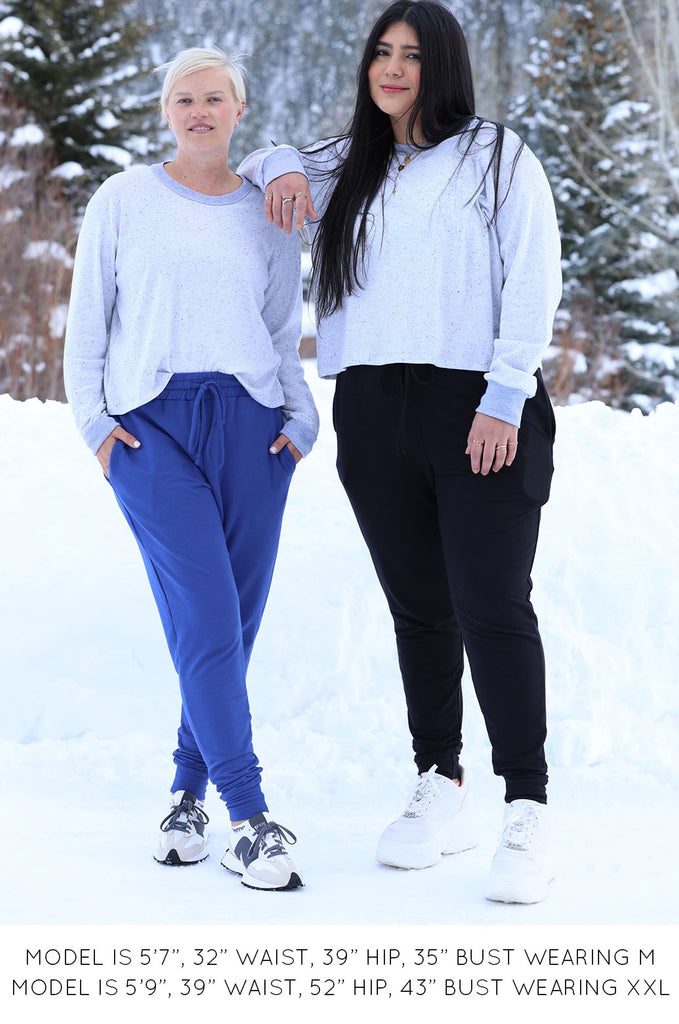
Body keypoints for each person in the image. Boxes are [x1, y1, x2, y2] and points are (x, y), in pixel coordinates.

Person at [239, 0, 562, 903]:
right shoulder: (355, 159)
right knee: (420, 608)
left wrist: (505, 397)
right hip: (374, 406)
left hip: (478, 406)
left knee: (491, 604)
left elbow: (534, 276)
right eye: (380, 52)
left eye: (411, 55)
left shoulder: (497, 155)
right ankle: (440, 782)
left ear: (443, 65)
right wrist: (277, 169)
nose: (392, 68)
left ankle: (527, 806)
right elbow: (267, 159)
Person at [63, 47, 319, 892]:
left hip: (252, 431)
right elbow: (88, 324)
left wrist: (299, 416)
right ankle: (249, 818)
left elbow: (281, 329)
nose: (198, 111)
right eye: (184, 99)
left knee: (230, 628)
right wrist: (96, 426)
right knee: (207, 614)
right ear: (165, 110)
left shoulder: (265, 212)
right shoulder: (124, 199)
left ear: (238, 112)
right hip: (150, 430)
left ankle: (185, 798)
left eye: (214, 98)